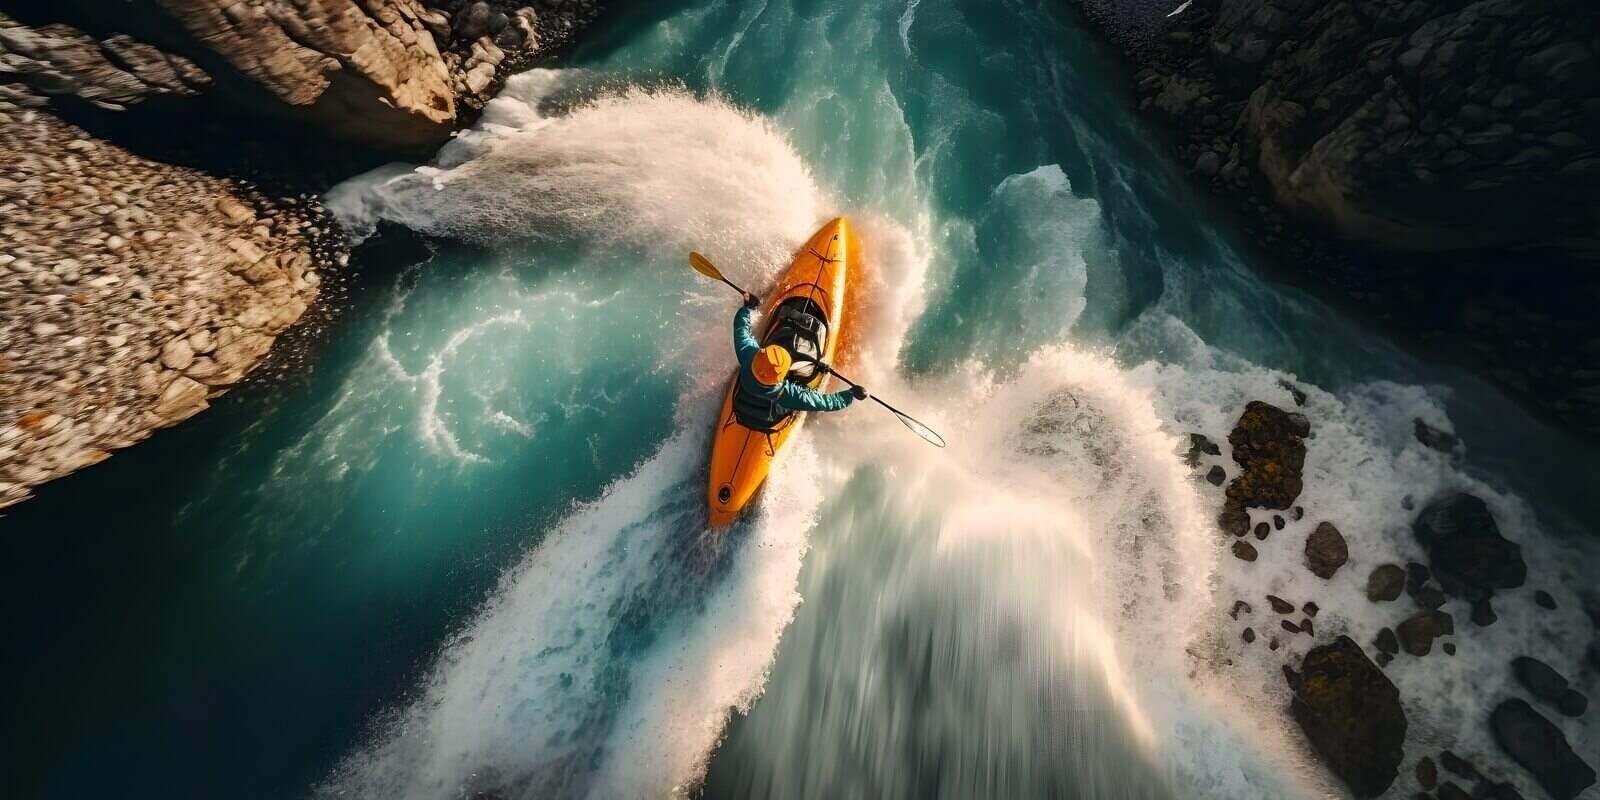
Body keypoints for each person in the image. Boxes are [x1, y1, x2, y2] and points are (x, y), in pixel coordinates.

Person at [734, 292, 865, 413]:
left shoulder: (747, 355)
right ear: (781, 376)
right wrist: (850, 395)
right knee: (806, 382)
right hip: (770, 415)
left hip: (744, 401)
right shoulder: (787, 394)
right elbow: (825, 403)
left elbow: (741, 330)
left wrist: (747, 308)